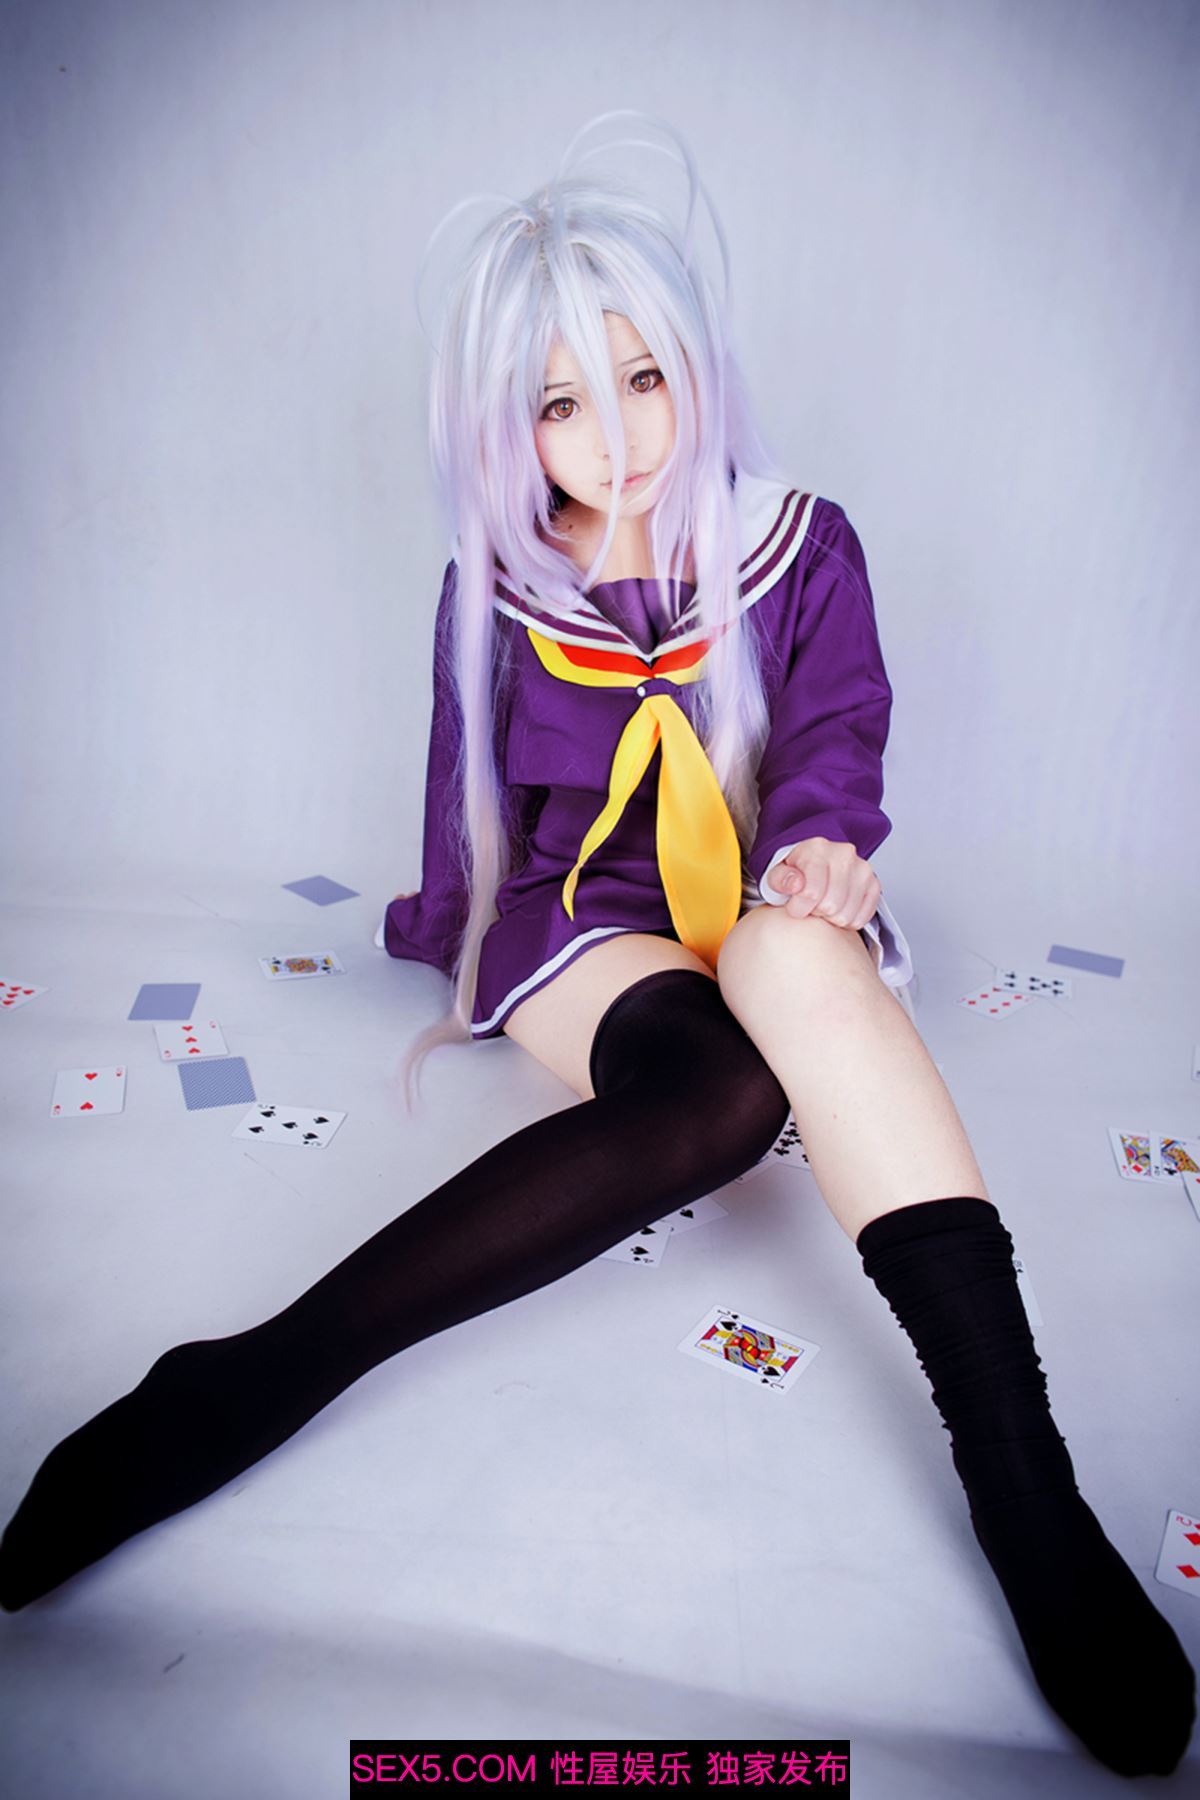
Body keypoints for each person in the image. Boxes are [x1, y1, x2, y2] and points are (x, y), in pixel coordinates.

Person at [1, 115, 1193, 1781]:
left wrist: (822, 848)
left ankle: (1020, 1475)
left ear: (697, 367)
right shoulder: (496, 586)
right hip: (588, 922)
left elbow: (836, 729)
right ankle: (252, 1378)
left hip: (766, 890)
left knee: (794, 970)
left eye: (642, 379)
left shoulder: (800, 544)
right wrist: (450, 930)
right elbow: (469, 795)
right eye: (562, 403)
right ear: (508, 429)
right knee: (721, 1100)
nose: (615, 436)